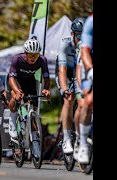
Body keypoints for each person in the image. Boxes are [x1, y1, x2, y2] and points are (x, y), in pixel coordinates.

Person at [7, 38, 51, 158]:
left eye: (35, 55)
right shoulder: (17, 59)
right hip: (15, 81)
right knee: (16, 96)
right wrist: (17, 91)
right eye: (30, 55)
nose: (33, 57)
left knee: (34, 110)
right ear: (25, 53)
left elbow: (46, 78)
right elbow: (11, 78)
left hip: (30, 82)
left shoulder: (42, 60)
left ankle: (35, 140)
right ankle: (12, 123)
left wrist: (46, 89)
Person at [54, 18, 85, 157]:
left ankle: (80, 135)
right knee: (69, 98)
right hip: (65, 71)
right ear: (72, 34)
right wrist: (65, 88)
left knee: (84, 101)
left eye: (83, 35)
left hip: (80, 71)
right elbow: (62, 70)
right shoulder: (65, 43)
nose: (80, 38)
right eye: (78, 35)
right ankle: (66, 138)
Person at [78, 13, 93, 164]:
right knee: (88, 101)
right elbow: (85, 52)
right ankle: (82, 144)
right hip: (90, 63)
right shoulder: (91, 22)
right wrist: (90, 70)